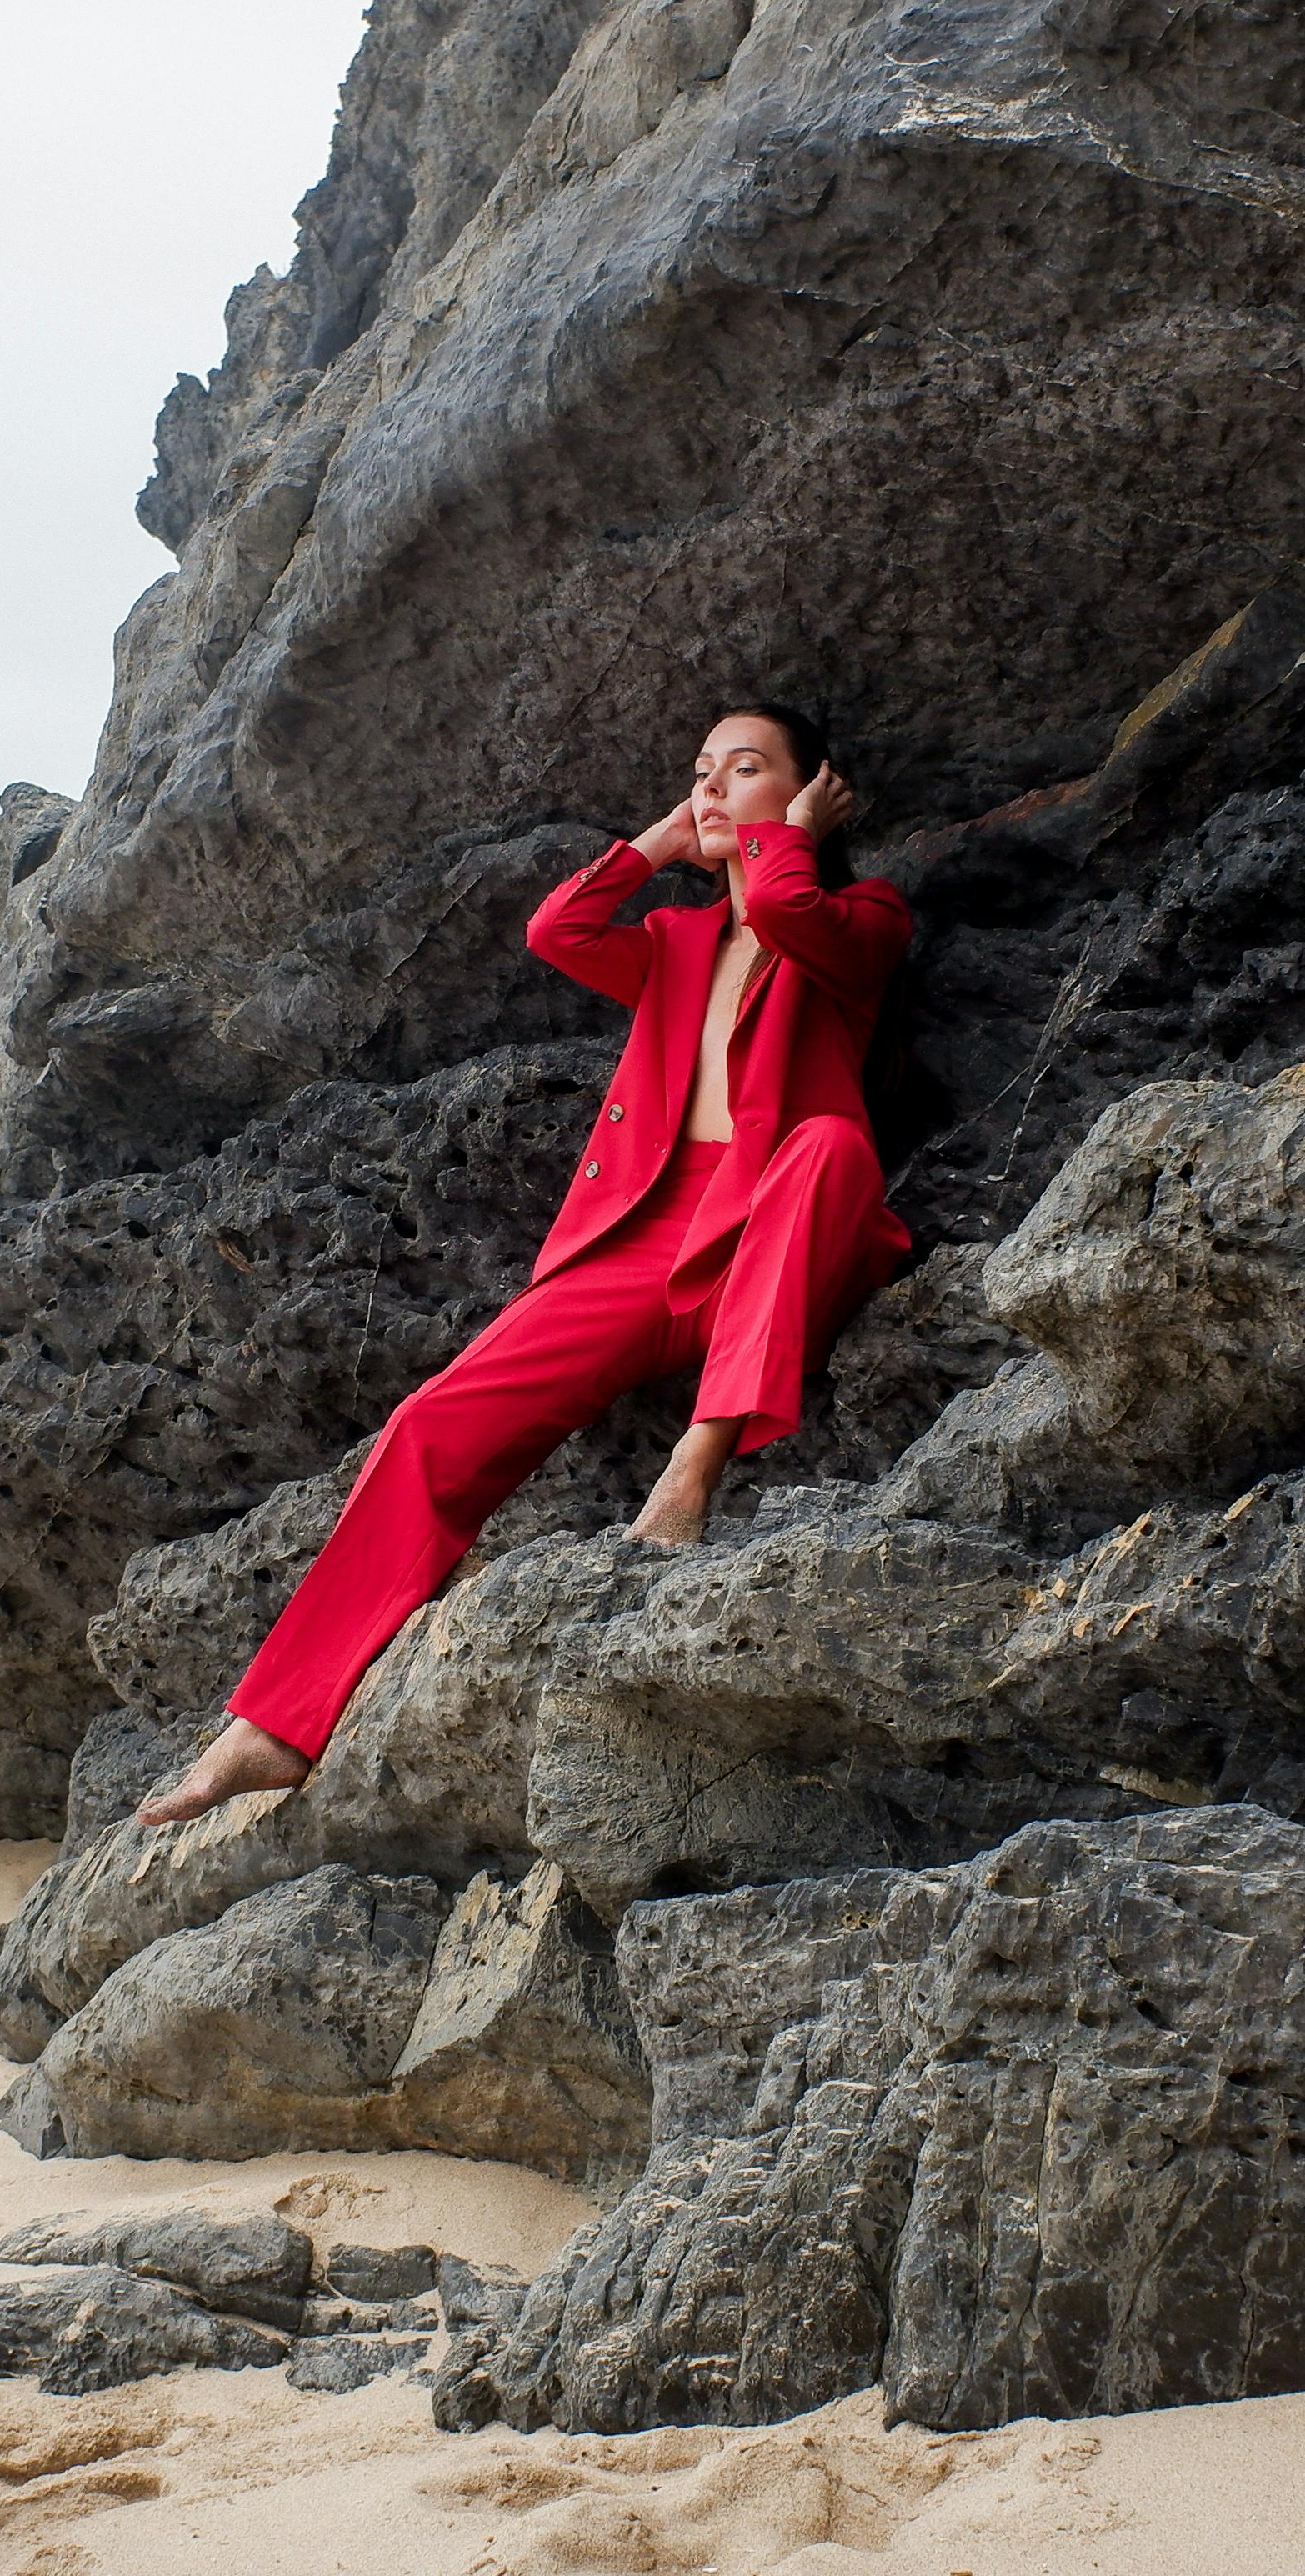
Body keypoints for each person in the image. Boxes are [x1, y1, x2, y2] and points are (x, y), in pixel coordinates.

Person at [134, 704, 915, 1827]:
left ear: (810, 795)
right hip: (643, 1236)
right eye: (697, 770)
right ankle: (272, 1725)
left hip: (783, 1217)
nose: (710, 787)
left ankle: (692, 1470)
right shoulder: (676, 945)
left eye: (743, 769)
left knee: (831, 1145)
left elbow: (791, 906)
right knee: (432, 1426)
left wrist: (781, 837)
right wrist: (664, 840)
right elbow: (559, 928)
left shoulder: (857, 918)